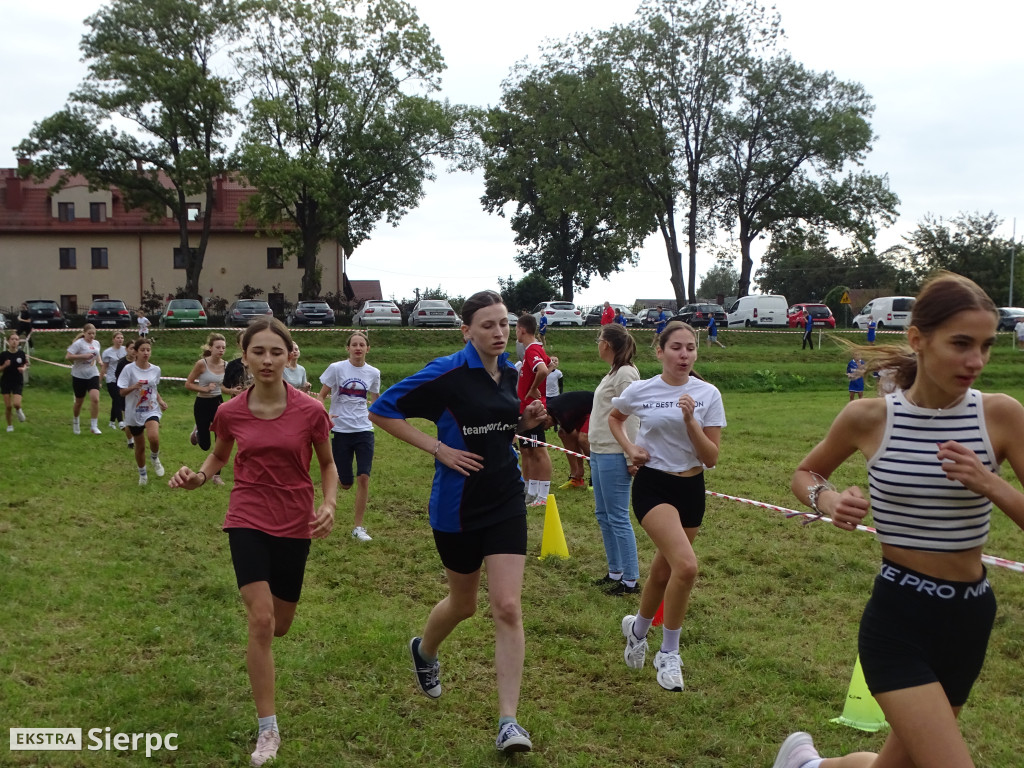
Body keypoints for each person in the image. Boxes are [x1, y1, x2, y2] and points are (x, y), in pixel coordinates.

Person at [773, 271, 1024, 768]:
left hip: (970, 618)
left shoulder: (1001, 415)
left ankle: (808, 767)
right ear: (918, 339)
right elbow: (806, 472)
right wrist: (826, 501)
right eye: (961, 344)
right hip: (899, 617)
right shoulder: (869, 418)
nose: (977, 361)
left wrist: (991, 483)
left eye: (986, 345)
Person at [368, 290, 547, 753]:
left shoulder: (510, 373)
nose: (498, 332)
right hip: (457, 507)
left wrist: (522, 423)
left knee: (507, 606)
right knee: (464, 604)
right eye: (487, 325)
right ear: (466, 329)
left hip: (505, 497)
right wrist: (437, 448)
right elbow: (382, 409)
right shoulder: (446, 372)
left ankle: (509, 722)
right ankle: (424, 652)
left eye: (504, 323)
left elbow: (497, 429)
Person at [168, 317, 337, 768]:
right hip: (246, 517)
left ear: (289, 356)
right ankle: (268, 730)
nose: (266, 360)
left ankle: (266, 687)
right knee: (260, 622)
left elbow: (327, 465)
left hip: (295, 522)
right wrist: (199, 476)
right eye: (258, 351)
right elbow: (220, 454)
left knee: (280, 625)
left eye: (275, 352)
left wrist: (331, 504)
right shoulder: (230, 411)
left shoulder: (310, 411)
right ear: (244, 356)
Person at [609, 320, 726, 692]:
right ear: (660, 351)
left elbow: (711, 458)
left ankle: (637, 630)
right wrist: (630, 448)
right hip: (653, 486)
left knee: (664, 570)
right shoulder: (642, 390)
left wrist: (691, 420)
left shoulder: (708, 394)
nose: (684, 354)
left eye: (690, 348)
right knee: (687, 567)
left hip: (692, 487)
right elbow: (615, 418)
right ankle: (669, 654)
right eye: (676, 347)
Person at [589, 323, 641, 595]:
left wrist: (630, 453)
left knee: (618, 516)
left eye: (599, 340)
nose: (597, 344)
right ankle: (615, 571)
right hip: (598, 451)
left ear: (607, 344)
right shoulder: (613, 372)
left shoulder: (625, 374)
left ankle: (630, 580)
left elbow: (631, 416)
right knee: (603, 514)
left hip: (614, 454)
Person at [317, 331, 381, 542]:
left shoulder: (373, 373)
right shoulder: (337, 368)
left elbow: (376, 401)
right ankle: (328, 509)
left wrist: (380, 415)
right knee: (345, 483)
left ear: (367, 348)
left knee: (363, 477)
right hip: (341, 430)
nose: (358, 348)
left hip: (364, 429)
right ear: (348, 348)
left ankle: (358, 527)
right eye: (354, 344)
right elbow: (321, 396)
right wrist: (325, 415)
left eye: (362, 344)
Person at [186, 333, 239, 486]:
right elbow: (188, 384)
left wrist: (233, 391)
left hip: (219, 404)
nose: (221, 350)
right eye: (218, 347)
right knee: (205, 446)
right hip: (202, 403)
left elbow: (225, 388)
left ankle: (216, 476)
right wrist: (204, 389)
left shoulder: (227, 365)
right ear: (210, 348)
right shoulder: (201, 364)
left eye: (223, 347)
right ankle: (197, 431)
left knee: (220, 440)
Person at [516, 314, 554, 506]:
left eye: (516, 329)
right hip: (524, 409)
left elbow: (543, 370)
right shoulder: (535, 350)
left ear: (522, 330)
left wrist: (532, 389)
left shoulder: (532, 351)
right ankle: (530, 490)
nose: (515, 333)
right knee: (527, 451)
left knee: (538, 451)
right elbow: (549, 365)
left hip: (533, 410)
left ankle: (543, 495)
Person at [118, 338, 168, 485]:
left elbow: (154, 388)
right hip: (134, 412)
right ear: (136, 352)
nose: (146, 353)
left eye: (148, 350)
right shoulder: (128, 369)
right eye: (142, 350)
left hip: (151, 409)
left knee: (154, 438)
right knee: (139, 447)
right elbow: (121, 392)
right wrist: (133, 387)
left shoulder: (156, 369)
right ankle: (143, 475)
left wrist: (160, 400)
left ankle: (154, 457)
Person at [545, 390, 593, 490]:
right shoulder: (552, 411)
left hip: (594, 407)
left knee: (583, 439)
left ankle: (595, 474)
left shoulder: (560, 414)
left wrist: (581, 467)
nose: (546, 429)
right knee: (563, 434)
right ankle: (576, 476)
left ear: (547, 418)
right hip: (580, 411)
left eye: (545, 426)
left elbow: (574, 437)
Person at [66, 323, 104, 435]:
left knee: (95, 399)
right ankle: (76, 422)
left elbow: (96, 354)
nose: (92, 336)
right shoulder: (78, 344)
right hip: (79, 375)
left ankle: (94, 426)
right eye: (89, 333)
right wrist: (83, 356)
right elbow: (68, 356)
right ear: (84, 333)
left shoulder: (96, 343)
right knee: (79, 402)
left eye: (94, 333)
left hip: (93, 373)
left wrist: (100, 361)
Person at [1, 332, 28, 431]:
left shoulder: (21, 354)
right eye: (12, 339)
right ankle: (9, 425)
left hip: (17, 381)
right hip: (6, 381)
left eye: (16, 339)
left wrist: (23, 369)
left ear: (18, 342)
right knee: (8, 406)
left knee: (16, 404)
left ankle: (18, 410)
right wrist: (4, 366)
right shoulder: (3, 355)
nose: (14, 341)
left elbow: (25, 364)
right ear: (8, 341)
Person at [101, 332, 128, 429]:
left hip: (122, 379)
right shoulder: (107, 352)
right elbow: (104, 367)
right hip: (111, 379)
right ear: (113, 339)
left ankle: (111, 422)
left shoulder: (126, 350)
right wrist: (99, 380)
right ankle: (121, 422)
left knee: (116, 401)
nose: (120, 339)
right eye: (118, 338)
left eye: (122, 338)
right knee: (117, 399)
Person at [114, 340, 138, 449]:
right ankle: (130, 441)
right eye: (131, 348)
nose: (134, 351)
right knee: (128, 419)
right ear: (126, 349)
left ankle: (138, 437)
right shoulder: (121, 363)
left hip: (138, 394)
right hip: (125, 394)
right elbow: (119, 380)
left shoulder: (140, 362)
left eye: (135, 348)